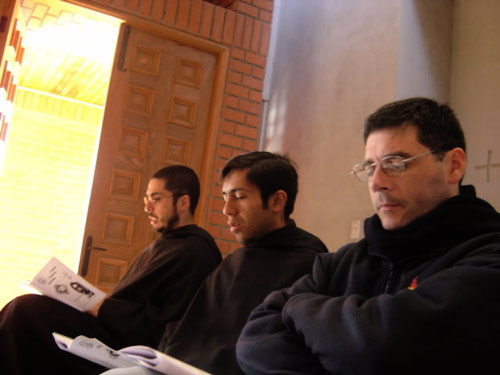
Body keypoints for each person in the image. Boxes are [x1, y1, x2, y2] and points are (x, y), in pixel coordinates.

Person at [236, 97, 500, 375]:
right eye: (369, 168)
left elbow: (383, 347)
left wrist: (297, 306)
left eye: (396, 163)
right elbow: (255, 340)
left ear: (453, 166)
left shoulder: (489, 257)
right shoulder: (342, 262)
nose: (376, 183)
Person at [0, 165, 222, 375]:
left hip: (127, 344)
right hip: (112, 325)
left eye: (156, 199)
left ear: (183, 203)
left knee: (25, 310)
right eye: (147, 199)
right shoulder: (169, 244)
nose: (147, 207)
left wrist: (101, 307)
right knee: (22, 308)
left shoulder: (196, 254)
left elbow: (163, 327)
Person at [130, 151, 327, 375]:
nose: (227, 209)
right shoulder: (236, 260)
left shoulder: (309, 263)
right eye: (225, 197)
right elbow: (190, 327)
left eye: (239, 197)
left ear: (277, 201)